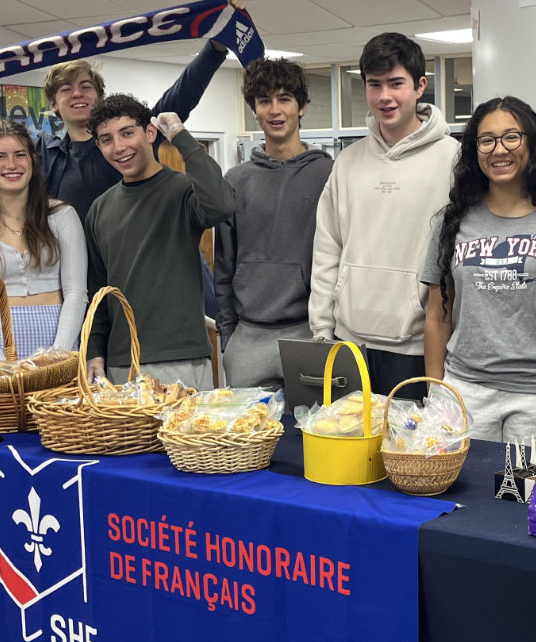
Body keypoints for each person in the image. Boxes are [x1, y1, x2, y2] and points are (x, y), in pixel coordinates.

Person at [0, 0, 248, 222]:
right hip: (78, 277)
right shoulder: (42, 153)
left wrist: (216, 45)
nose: (77, 94)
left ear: (99, 96)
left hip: (141, 260)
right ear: (53, 104)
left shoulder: (132, 138)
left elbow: (180, 96)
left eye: (86, 86)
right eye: (66, 90)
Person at [422, 97, 536, 443]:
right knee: (460, 493)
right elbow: (438, 315)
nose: (499, 150)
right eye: (487, 140)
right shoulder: (451, 220)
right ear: (474, 150)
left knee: (531, 497)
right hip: (464, 391)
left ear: (532, 142)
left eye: (511, 137)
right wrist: (436, 394)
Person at [308, 32, 458, 397]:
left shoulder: (454, 159)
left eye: (396, 84)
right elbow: (328, 250)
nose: (385, 97)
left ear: (420, 86)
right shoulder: (347, 162)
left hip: (417, 348)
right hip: (349, 344)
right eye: (375, 85)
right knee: (350, 451)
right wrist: (321, 332)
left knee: (407, 454)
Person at [83, 94, 235, 391]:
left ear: (150, 133)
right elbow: (98, 290)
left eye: (128, 133)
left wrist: (180, 137)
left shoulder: (183, 190)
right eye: (107, 139)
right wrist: (94, 353)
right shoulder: (100, 209)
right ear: (99, 147)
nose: (120, 147)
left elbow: (222, 205)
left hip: (180, 359)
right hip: (120, 365)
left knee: (187, 439)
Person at [214, 58, 333, 389]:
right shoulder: (235, 181)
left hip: (312, 334)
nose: (274, 110)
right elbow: (223, 267)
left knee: (315, 435)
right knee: (249, 438)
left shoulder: (331, 175)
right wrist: (228, 336)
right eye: (264, 101)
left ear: (303, 106)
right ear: (254, 109)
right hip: (247, 338)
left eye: (284, 99)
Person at [0, 120, 86, 359]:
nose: (11, 164)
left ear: (32, 160)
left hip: (59, 342)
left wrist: (57, 355)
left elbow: (76, 293)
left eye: (20, 154)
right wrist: (2, 367)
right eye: (0, 156)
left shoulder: (62, 216)